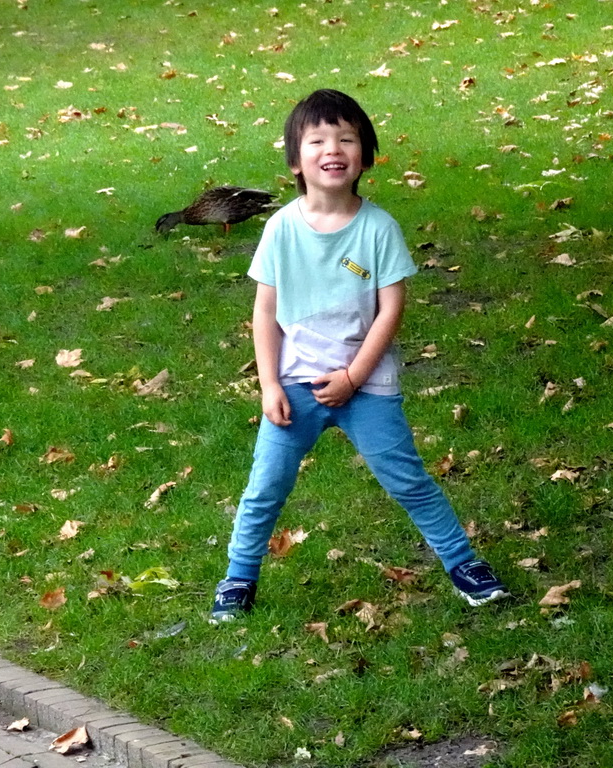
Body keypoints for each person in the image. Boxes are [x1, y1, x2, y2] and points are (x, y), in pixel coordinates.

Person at [211, 89, 509, 622]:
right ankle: (238, 577)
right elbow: (264, 314)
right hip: (294, 388)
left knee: (408, 480)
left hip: (365, 387)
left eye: (347, 139)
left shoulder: (378, 228)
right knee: (265, 488)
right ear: (295, 158)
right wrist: (269, 386)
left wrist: (353, 376)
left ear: (365, 156)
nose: (333, 149)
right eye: (318, 140)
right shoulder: (281, 228)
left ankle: (464, 564)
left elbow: (390, 311)